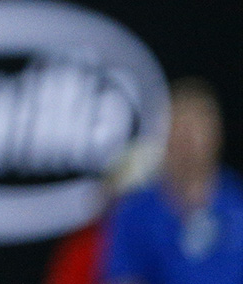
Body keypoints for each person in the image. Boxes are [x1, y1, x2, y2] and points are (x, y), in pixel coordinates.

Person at [102, 77, 243, 283]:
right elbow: (123, 276)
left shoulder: (237, 203)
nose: (187, 141)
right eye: (179, 128)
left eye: (197, 128)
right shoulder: (135, 210)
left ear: (217, 134)